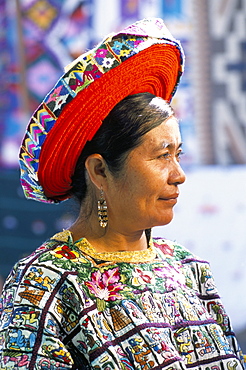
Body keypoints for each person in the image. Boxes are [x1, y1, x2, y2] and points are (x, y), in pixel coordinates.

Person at [0, 18, 244, 370]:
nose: (179, 175)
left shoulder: (190, 271)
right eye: (162, 156)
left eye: (179, 154)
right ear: (99, 171)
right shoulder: (44, 285)